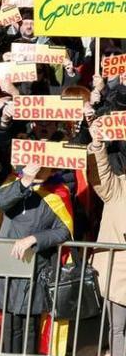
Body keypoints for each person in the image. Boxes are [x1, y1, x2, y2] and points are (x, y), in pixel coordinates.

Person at [0, 164, 71, 354]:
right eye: (34, 166)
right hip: (7, 266)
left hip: (36, 267)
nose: (38, 170)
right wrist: (25, 181)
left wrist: (34, 239)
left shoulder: (58, 193)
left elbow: (64, 230)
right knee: (9, 325)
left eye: (43, 168)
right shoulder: (13, 183)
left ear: (53, 170)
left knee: (30, 326)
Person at [89, 121, 126, 356]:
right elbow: (100, 173)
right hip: (119, 274)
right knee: (118, 329)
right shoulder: (118, 186)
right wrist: (97, 145)